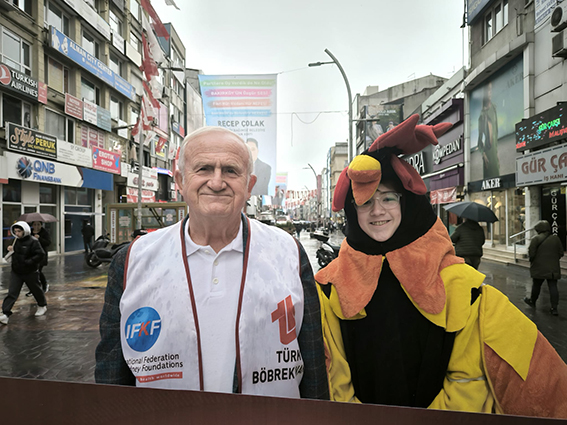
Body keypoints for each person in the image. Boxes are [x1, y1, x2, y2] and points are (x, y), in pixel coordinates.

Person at [316, 114, 567, 417]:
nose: (377, 211)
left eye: (388, 198)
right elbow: (333, 381)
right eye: (365, 202)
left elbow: (477, 378)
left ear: (406, 202)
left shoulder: (466, 288)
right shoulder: (327, 290)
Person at [95, 126, 329, 400]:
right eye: (204, 168)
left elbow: (312, 364)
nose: (217, 182)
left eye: (230, 171)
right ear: (180, 180)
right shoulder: (132, 260)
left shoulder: (289, 252)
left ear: (249, 185)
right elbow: (111, 373)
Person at [0, 222, 48, 325]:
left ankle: (42, 305)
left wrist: (29, 262)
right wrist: (9, 250)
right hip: (16, 271)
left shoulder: (33, 241)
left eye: (19, 231)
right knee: (12, 292)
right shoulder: (16, 241)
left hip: (30, 272)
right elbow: (14, 254)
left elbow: (40, 254)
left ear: (24, 231)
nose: (17, 233)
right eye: (15, 231)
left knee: (36, 289)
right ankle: (6, 314)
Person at [524, 220, 564, 316]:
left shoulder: (535, 239)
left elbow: (531, 254)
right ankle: (554, 308)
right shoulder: (555, 239)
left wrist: (534, 261)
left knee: (536, 285)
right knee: (553, 287)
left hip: (539, 267)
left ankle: (532, 301)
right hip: (553, 268)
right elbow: (561, 252)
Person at [477, 82, 500, 179]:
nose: (490, 93)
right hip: (488, 156)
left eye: (491, 90)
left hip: (494, 153)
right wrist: (483, 154)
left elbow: (496, 132)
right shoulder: (482, 116)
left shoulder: (494, 108)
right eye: (488, 90)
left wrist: (497, 153)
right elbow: (479, 142)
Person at [27, 221, 51, 294]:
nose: (36, 226)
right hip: (32, 255)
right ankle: (33, 289)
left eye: (38, 224)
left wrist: (39, 238)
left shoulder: (44, 232)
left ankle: (44, 285)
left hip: (41, 255)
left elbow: (48, 242)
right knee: (32, 273)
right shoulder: (30, 232)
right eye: (35, 224)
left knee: (38, 271)